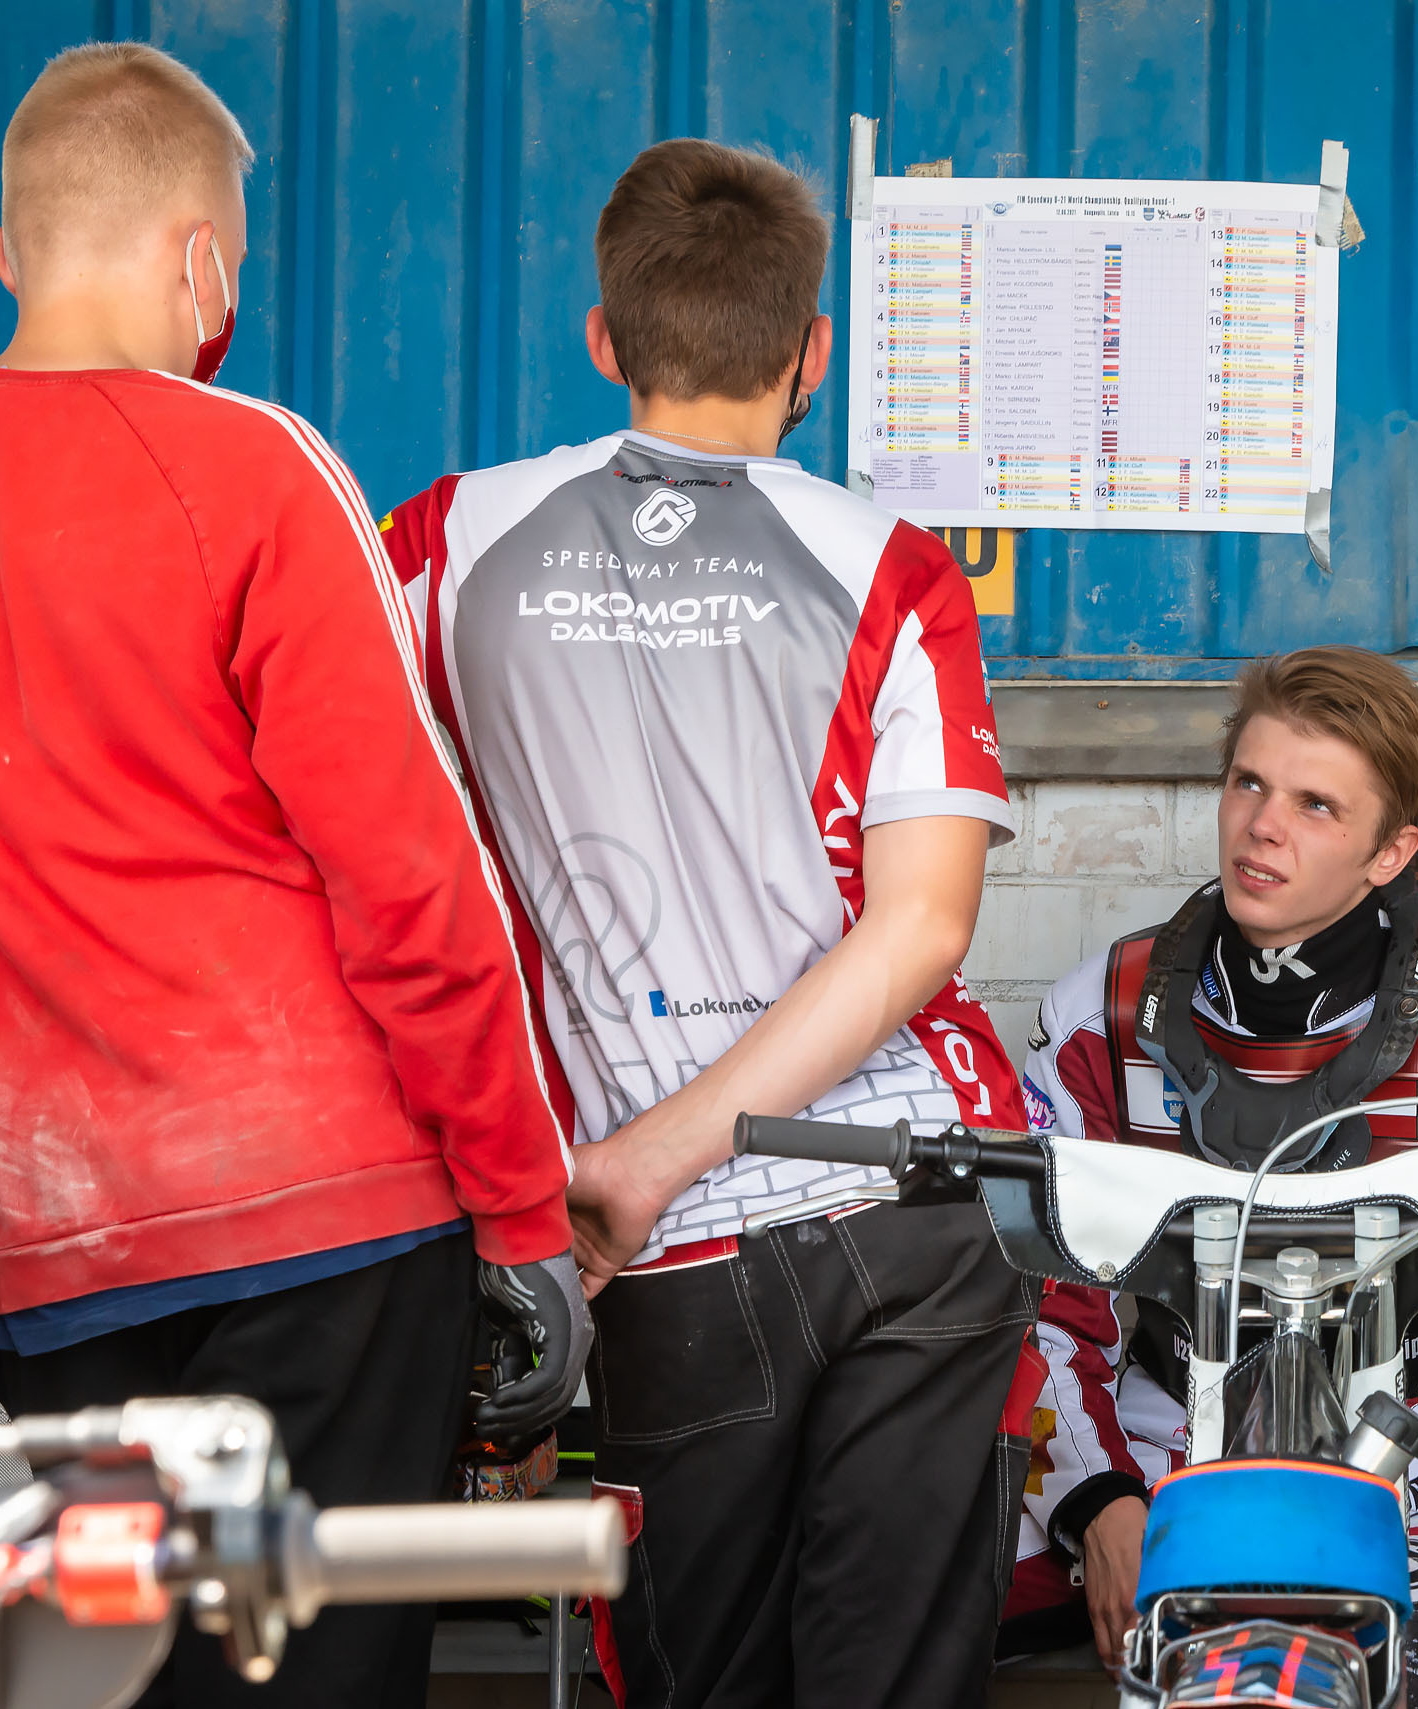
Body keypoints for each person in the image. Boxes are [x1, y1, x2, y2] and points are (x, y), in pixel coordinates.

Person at [0, 42, 588, 1704]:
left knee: (121, 1675)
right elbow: (414, 887)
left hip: (57, 1250)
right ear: (201, 265)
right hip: (328, 1226)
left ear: (7, 257)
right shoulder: (253, 465)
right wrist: (525, 1213)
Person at [376, 138, 1032, 1706]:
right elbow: (921, 928)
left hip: (649, 1241)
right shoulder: (894, 568)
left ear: (604, 341)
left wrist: (614, 1174)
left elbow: (370, 868)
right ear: (813, 354)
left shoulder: (436, 545)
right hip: (914, 1199)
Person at [1011, 646, 1418, 1709]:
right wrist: (1098, 1500)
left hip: (1410, 1477)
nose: (1262, 825)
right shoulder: (1102, 1010)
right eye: (1249, 783)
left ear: (1389, 850)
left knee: (1410, 1670)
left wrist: (1326, 1507)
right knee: (893, 1578)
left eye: (1317, 804)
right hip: (1156, 1460)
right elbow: (1043, 1309)